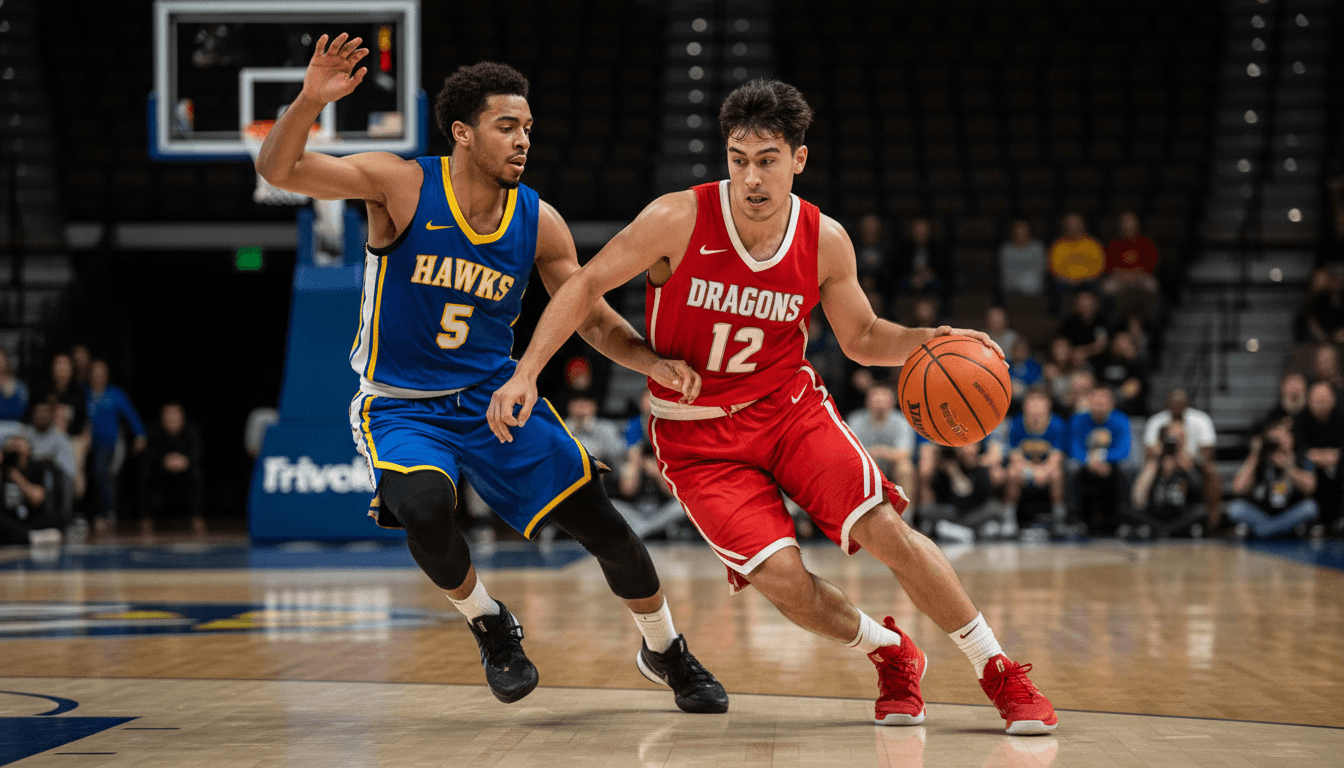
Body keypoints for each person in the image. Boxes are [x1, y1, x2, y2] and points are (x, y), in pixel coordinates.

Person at [490, 79, 1057, 734]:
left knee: (884, 530)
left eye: (767, 159)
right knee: (784, 581)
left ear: (798, 159)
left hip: (788, 411)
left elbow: (865, 338)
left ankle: (998, 670)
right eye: (738, 158)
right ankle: (892, 652)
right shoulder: (677, 218)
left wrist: (930, 340)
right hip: (695, 438)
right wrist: (529, 371)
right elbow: (585, 283)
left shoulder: (826, 239)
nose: (752, 176)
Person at [255, 41, 727, 712]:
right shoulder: (400, 184)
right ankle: (490, 624)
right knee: (422, 510)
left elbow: (590, 321)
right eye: (508, 125)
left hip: (494, 397)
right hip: (400, 405)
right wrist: (309, 102)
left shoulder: (539, 221)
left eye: (528, 128)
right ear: (462, 132)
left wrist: (652, 361)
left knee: (601, 523)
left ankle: (667, 650)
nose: (523, 139)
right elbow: (282, 170)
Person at [1226, 418, 1318, 539]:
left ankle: (1264, 531)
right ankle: (1279, 530)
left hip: (1289, 512)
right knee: (1235, 508)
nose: (1278, 443)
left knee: (1310, 507)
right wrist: (1254, 454)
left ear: (1291, 438)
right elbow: (1238, 488)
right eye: (1274, 439)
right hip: (1262, 513)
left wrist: (1289, 468)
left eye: (1282, 437)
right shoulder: (1259, 460)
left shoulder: (1300, 457)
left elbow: (1310, 488)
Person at [1143, 389, 1222, 529]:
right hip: (1162, 460)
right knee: (1151, 466)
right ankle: (1151, 511)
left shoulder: (1201, 419)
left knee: (1210, 470)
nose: (1177, 406)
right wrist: (1163, 454)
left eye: (1181, 403)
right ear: (1167, 404)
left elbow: (1207, 453)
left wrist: (1185, 457)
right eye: (1174, 403)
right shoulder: (1156, 421)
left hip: (1191, 461)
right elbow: (1149, 451)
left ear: (1188, 404)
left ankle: (1212, 521)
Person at [85, 359, 147, 531]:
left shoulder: (115, 394)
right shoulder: (84, 393)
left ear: (106, 375)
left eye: (101, 373)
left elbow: (131, 414)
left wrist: (140, 434)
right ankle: (90, 515)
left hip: (110, 444)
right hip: (87, 445)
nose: (98, 377)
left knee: (102, 474)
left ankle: (107, 513)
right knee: (89, 477)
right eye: (94, 373)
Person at [1003, 389, 1069, 535]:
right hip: (1024, 468)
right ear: (1025, 405)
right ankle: (1008, 519)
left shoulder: (1057, 423)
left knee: (1057, 474)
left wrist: (1043, 471)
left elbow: (1057, 455)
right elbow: (1014, 454)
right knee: (1012, 473)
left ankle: (1059, 518)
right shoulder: (1017, 422)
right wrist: (1030, 470)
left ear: (1048, 404)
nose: (1035, 405)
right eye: (1031, 401)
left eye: (1040, 400)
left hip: (1047, 468)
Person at [1125, 421, 1206, 539]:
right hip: (1155, 514)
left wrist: (1188, 468)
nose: (1175, 442)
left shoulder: (1191, 462)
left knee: (1201, 511)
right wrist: (1154, 464)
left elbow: (1199, 492)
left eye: (1180, 437)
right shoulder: (1154, 462)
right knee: (1127, 510)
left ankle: (1162, 531)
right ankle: (1167, 531)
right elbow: (1138, 498)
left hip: (1180, 515)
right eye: (1171, 438)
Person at [1067, 386, 1131, 535]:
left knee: (1127, 470)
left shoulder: (1121, 420)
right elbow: (1074, 448)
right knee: (1071, 468)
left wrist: (1102, 458)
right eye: (1096, 402)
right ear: (1089, 402)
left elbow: (1123, 450)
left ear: (1111, 404)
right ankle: (1074, 520)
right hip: (1086, 465)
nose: (1099, 405)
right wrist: (1089, 460)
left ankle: (1125, 522)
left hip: (1111, 466)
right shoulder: (1078, 420)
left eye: (1103, 402)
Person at [138, 402, 206, 535]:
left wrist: (186, 460)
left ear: (182, 417)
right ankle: (146, 517)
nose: (172, 419)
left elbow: (198, 452)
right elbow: (148, 453)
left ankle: (197, 518)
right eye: (168, 416)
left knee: (198, 474)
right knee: (144, 472)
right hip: (160, 471)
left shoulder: (191, 431)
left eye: (175, 415)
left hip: (184, 470)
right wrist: (163, 460)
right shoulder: (154, 430)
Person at [921, 441, 1010, 542]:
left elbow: (978, 495)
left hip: (975, 514)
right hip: (953, 513)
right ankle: (970, 532)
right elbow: (949, 496)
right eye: (964, 447)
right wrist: (954, 473)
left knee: (995, 507)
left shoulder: (981, 468)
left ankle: (962, 531)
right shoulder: (947, 467)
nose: (969, 450)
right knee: (927, 511)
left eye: (973, 446)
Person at [845, 384, 917, 501]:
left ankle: (907, 514)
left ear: (892, 402)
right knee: (848, 467)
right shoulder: (855, 420)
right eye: (876, 399)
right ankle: (855, 512)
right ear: (867, 401)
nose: (880, 404)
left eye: (884, 399)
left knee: (906, 468)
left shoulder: (902, 421)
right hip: (865, 466)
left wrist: (878, 451)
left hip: (891, 465)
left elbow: (905, 453)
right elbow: (850, 452)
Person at [1293, 381, 1343, 537]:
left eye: (1324, 400)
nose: (1320, 405)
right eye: (1316, 401)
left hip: (1335, 466)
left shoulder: (1341, 418)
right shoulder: (1300, 419)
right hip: (1309, 467)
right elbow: (1299, 449)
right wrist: (1317, 456)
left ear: (1333, 400)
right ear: (1308, 401)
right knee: (1306, 464)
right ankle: (1311, 520)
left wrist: (1335, 456)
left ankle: (1338, 517)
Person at [0, 435, 62, 546]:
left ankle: (27, 535)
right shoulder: (2, 469)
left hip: (29, 520)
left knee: (60, 517)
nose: (17, 456)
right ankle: (30, 537)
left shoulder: (36, 468)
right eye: (13, 451)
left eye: (22, 452)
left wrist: (17, 478)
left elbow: (37, 498)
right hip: (6, 520)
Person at [1102, 211, 1161, 325]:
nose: (1128, 225)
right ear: (1120, 225)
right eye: (1125, 223)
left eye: (1131, 222)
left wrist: (1134, 275)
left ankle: (1152, 321)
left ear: (1137, 224)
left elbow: (1151, 265)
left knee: (1153, 285)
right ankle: (1111, 321)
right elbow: (1109, 266)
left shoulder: (1146, 243)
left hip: (1141, 277)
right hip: (1119, 278)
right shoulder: (1113, 244)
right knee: (1106, 287)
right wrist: (1125, 275)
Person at [1047, 212, 1106, 309]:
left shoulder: (1093, 244)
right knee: (1056, 287)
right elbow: (1053, 268)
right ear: (1064, 226)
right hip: (1065, 282)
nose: (1072, 226)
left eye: (1075, 223)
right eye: (1069, 223)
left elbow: (1099, 267)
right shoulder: (1057, 245)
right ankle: (1062, 319)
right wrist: (1069, 280)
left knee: (1096, 286)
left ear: (1082, 225)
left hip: (1087, 281)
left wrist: (1083, 279)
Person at [996, 219, 1048, 301]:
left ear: (1029, 231)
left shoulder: (1038, 247)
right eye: (1017, 229)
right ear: (1012, 231)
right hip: (1012, 287)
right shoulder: (1006, 249)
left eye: (1023, 229)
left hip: (1033, 286)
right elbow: (1006, 272)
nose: (1020, 232)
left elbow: (1040, 269)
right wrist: (1019, 284)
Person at [0, 349, 29, 422]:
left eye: (1, 359)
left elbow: (20, 410)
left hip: (13, 426)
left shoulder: (18, 386)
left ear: (6, 362)